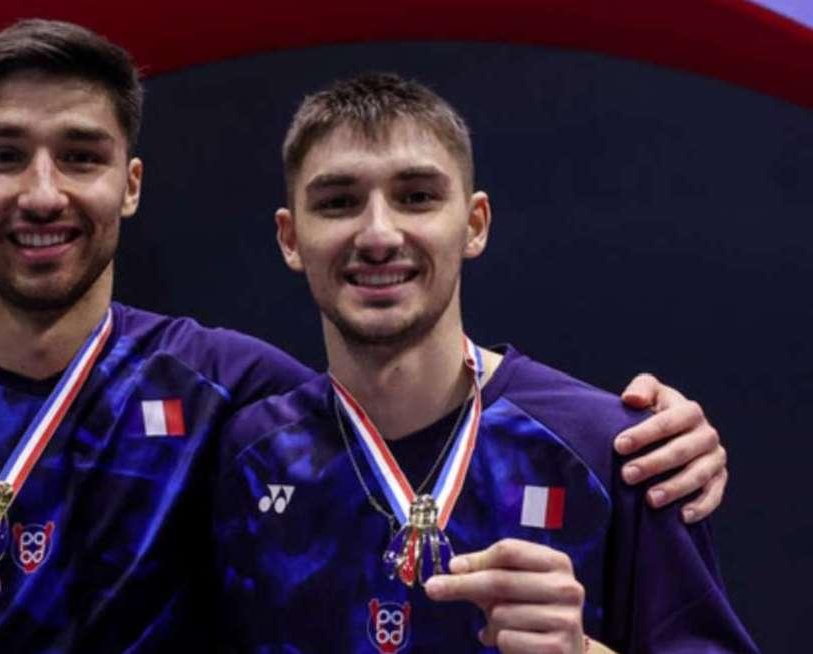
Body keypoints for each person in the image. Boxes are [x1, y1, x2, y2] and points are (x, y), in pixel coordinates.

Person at [0, 21, 727, 654]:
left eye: (81, 155)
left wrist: (669, 445)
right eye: (5, 156)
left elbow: (417, 399)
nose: (42, 192)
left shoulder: (237, 403)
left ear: (129, 186)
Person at [213, 73, 756, 653]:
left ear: (474, 224)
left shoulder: (616, 450)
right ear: (291, 238)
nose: (377, 234)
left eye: (417, 197)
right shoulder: (247, 454)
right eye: (338, 202)